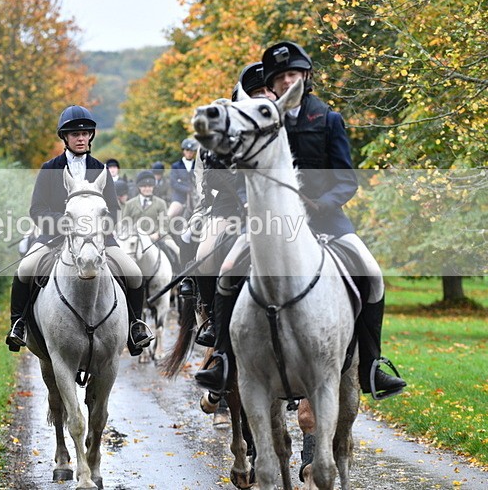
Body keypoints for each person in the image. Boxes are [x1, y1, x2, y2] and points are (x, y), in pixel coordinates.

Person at [195, 42, 406, 399]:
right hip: (272, 223)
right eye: (280, 77)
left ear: (305, 78)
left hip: (326, 219)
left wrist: (320, 205)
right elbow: (246, 175)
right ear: (273, 85)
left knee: (372, 273)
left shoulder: (327, 119)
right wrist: (250, 206)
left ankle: (372, 364)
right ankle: (222, 360)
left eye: (293, 74)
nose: (287, 81)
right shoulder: (260, 120)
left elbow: (346, 180)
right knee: (229, 267)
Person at [6, 104, 155, 355]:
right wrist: (60, 223)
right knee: (25, 268)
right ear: (65, 137)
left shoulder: (101, 169)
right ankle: (18, 324)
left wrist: (98, 229)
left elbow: (113, 210)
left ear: (91, 136)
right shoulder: (49, 169)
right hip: (54, 238)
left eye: (85, 133)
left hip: (98, 240)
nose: (81, 138)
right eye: (75, 134)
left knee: (134, 272)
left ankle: (135, 326)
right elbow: (37, 209)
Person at [193, 62, 271, 347]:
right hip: (229, 203)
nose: (263, 95)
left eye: (267, 90)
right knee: (206, 250)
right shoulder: (228, 127)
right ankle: (212, 316)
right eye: (256, 92)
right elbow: (212, 175)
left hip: (275, 203)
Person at [122, 170, 181, 270]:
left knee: (177, 250)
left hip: (158, 237)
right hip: (135, 238)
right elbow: (125, 224)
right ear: (139, 187)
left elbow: (165, 223)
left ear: (153, 187)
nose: (147, 189)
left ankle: (179, 276)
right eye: (144, 186)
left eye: (150, 186)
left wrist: (158, 234)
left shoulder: (161, 203)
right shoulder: (130, 204)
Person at [167, 138, 200, 219]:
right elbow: (174, 183)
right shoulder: (176, 166)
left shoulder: (198, 165)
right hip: (180, 197)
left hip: (196, 196)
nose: (189, 153)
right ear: (183, 151)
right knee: (171, 213)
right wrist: (188, 189)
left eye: (191, 151)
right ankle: (162, 228)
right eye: (187, 150)